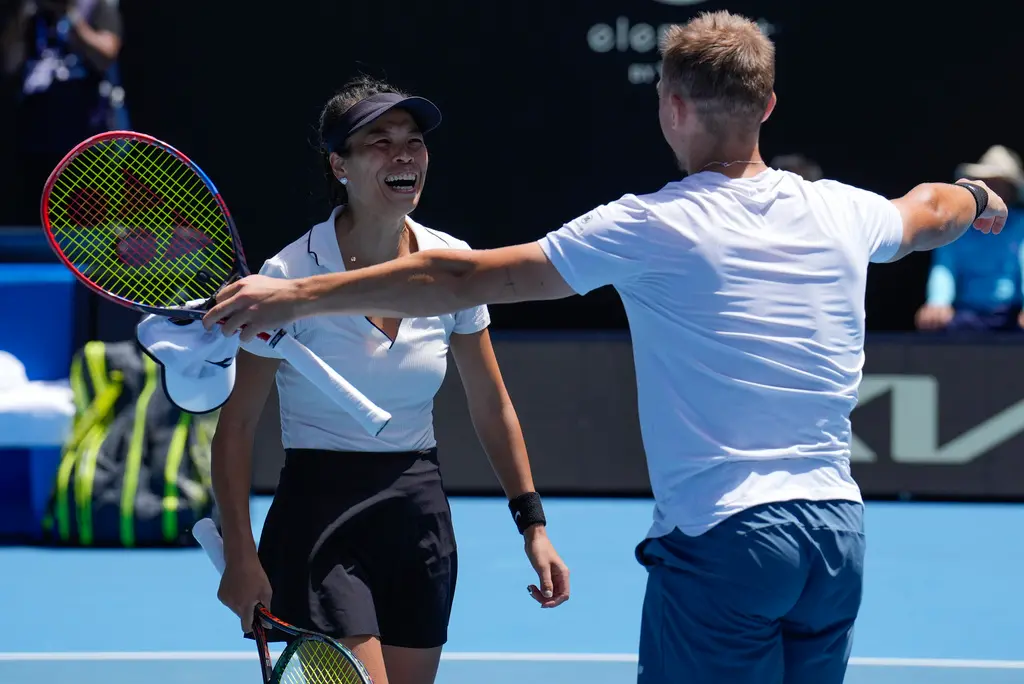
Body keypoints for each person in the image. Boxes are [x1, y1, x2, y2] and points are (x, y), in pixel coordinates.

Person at [202, 12, 1007, 684]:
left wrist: (297, 294)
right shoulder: (846, 212)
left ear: (671, 107)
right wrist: (977, 196)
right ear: (767, 107)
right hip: (836, 542)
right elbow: (929, 209)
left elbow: (457, 281)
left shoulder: (652, 224)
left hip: (728, 543)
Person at [209, 76, 569, 684]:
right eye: (379, 141)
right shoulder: (285, 276)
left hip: (418, 511)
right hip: (319, 513)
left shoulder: (451, 262)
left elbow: (491, 404)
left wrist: (533, 526)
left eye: (414, 140)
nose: (404, 153)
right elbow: (236, 426)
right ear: (339, 166)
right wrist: (240, 555)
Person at [1, 0, 125, 225]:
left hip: (86, 144)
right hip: (36, 139)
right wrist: (22, 19)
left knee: (88, 223)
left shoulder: (96, 7)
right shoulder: (31, 13)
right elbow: (9, 62)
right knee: (34, 225)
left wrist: (70, 17)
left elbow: (105, 55)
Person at [915, 144, 1024, 332]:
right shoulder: (958, 224)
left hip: (1012, 314)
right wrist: (937, 302)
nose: (992, 189)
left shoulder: (1021, 225)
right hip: (967, 314)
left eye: (998, 183)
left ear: (1011, 190)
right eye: (986, 183)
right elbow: (945, 266)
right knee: (934, 325)